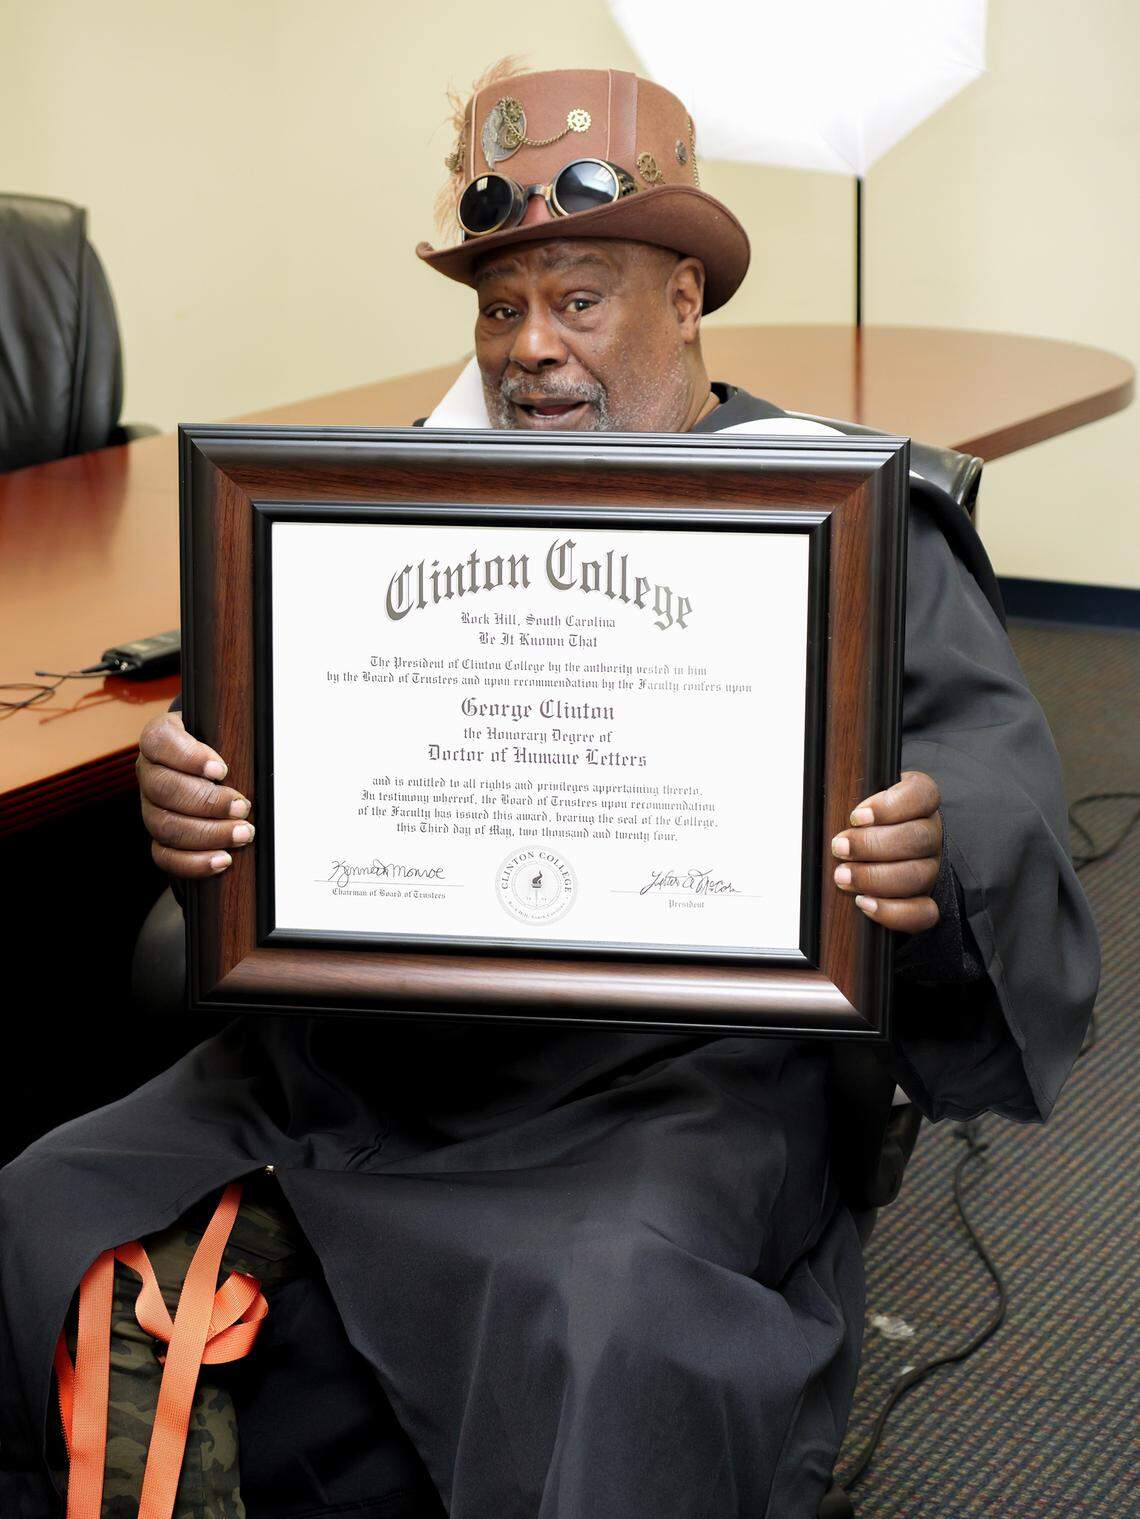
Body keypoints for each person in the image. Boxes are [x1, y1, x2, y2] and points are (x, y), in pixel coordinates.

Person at [0, 66, 1098, 1519]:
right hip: (367, 1051)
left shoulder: (841, 519)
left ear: (688, 299)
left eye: (578, 300)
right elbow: (268, 751)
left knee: (601, 1307)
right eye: (499, 307)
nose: (531, 348)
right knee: (49, 1197)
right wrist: (195, 787)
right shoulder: (388, 514)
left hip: (675, 1075)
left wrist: (927, 842)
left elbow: (993, 785)